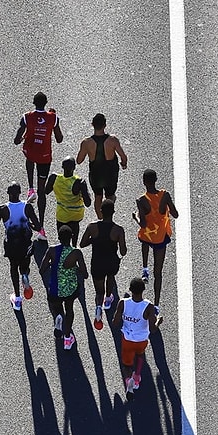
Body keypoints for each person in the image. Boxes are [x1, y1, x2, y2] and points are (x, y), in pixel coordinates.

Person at [14, 91, 63, 240]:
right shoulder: (53, 118)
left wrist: (23, 137)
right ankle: (41, 229)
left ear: (34, 103)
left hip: (32, 152)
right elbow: (60, 139)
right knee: (43, 191)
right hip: (45, 157)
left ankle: (30, 189)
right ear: (46, 103)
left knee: (29, 158)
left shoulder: (27, 117)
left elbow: (16, 140)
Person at [0, 182, 41, 310]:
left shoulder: (2, 209)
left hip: (11, 246)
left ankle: (17, 298)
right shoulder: (27, 207)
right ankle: (25, 275)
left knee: (13, 268)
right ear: (20, 193)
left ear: (8, 193)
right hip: (26, 244)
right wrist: (28, 224)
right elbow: (38, 227)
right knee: (24, 265)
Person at [112, 277, 163, 400]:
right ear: (143, 290)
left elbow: (115, 322)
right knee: (140, 355)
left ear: (130, 290)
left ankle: (128, 379)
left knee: (126, 365)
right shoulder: (148, 306)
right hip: (141, 340)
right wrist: (158, 322)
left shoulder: (123, 303)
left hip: (127, 339)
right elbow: (152, 329)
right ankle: (137, 376)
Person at [39, 225, 89, 350]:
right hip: (70, 289)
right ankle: (67, 338)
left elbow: (41, 270)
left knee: (56, 307)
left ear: (59, 237)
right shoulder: (76, 253)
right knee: (70, 310)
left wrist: (53, 263)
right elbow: (85, 273)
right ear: (71, 237)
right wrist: (76, 269)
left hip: (55, 289)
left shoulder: (51, 250)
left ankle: (58, 317)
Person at [79, 199, 126, 329]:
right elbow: (123, 251)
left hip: (97, 263)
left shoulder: (92, 227)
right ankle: (108, 300)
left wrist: (94, 240)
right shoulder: (118, 230)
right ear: (113, 212)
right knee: (110, 278)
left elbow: (82, 244)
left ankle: (99, 306)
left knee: (98, 291)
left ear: (101, 211)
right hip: (111, 263)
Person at [135, 169, 179, 309]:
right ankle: (157, 304)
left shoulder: (141, 200)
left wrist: (135, 216)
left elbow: (142, 223)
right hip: (160, 237)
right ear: (156, 180)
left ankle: (145, 268)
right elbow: (175, 214)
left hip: (148, 235)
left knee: (144, 243)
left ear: (143, 182)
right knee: (158, 272)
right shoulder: (165, 195)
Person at [76, 113, 128, 218]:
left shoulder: (86, 142)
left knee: (98, 197)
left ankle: (100, 218)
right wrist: (123, 164)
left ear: (92, 124)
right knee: (110, 196)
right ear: (105, 125)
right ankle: (108, 216)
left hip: (96, 175)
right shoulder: (113, 140)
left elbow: (79, 160)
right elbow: (123, 156)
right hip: (110, 174)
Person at [45, 156, 92, 246]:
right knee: (74, 243)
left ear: (62, 167)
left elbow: (46, 191)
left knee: (62, 241)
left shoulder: (54, 178)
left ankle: (62, 254)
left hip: (61, 215)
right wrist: (84, 189)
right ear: (74, 167)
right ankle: (74, 251)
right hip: (76, 216)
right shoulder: (79, 182)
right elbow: (88, 203)